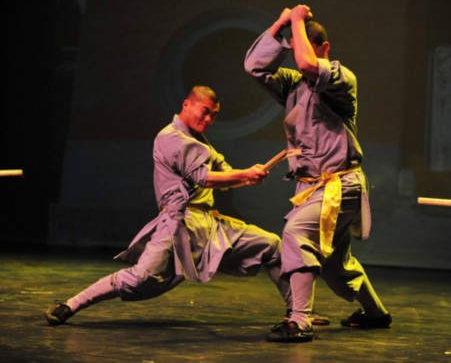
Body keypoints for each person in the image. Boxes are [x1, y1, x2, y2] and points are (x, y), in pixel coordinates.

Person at [44, 85, 293, 326]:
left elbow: (226, 176)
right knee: (138, 279)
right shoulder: (170, 138)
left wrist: (248, 177)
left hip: (210, 227)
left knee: (271, 245)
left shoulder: (203, 144)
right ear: (187, 104)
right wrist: (244, 175)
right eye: (205, 111)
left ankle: (298, 312)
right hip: (178, 226)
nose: (208, 119)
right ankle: (71, 305)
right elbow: (203, 178)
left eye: (214, 116)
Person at [244, 5, 391, 343]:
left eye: (302, 49)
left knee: (295, 234)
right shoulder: (293, 86)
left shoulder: (341, 78)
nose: (298, 59)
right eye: (293, 50)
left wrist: (296, 19)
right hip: (313, 189)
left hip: (340, 184)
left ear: (324, 49)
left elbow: (309, 65)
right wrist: (281, 22)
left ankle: (299, 321)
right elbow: (254, 66)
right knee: (336, 264)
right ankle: (376, 313)